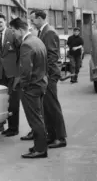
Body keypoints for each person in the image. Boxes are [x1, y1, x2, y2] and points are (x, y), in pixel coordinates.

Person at [28, 10, 67, 149]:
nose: (31, 22)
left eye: (32, 19)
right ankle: (51, 136)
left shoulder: (48, 32)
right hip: (45, 76)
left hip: (48, 76)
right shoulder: (42, 32)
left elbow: (52, 56)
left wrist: (48, 76)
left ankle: (60, 137)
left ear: (39, 18)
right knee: (46, 108)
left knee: (52, 107)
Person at [10, 17, 48, 159]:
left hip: (31, 87)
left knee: (34, 119)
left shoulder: (26, 44)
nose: (13, 34)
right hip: (41, 83)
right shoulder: (37, 40)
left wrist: (24, 87)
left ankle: (40, 149)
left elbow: (25, 70)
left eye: (13, 31)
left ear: (20, 30)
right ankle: (39, 145)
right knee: (39, 117)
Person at [0, 12, 21, 136]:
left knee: (13, 102)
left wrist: (18, 73)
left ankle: (13, 128)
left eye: (0, 22)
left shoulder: (13, 35)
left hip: (12, 74)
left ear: (5, 22)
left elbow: (19, 54)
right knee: (2, 102)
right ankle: (3, 126)